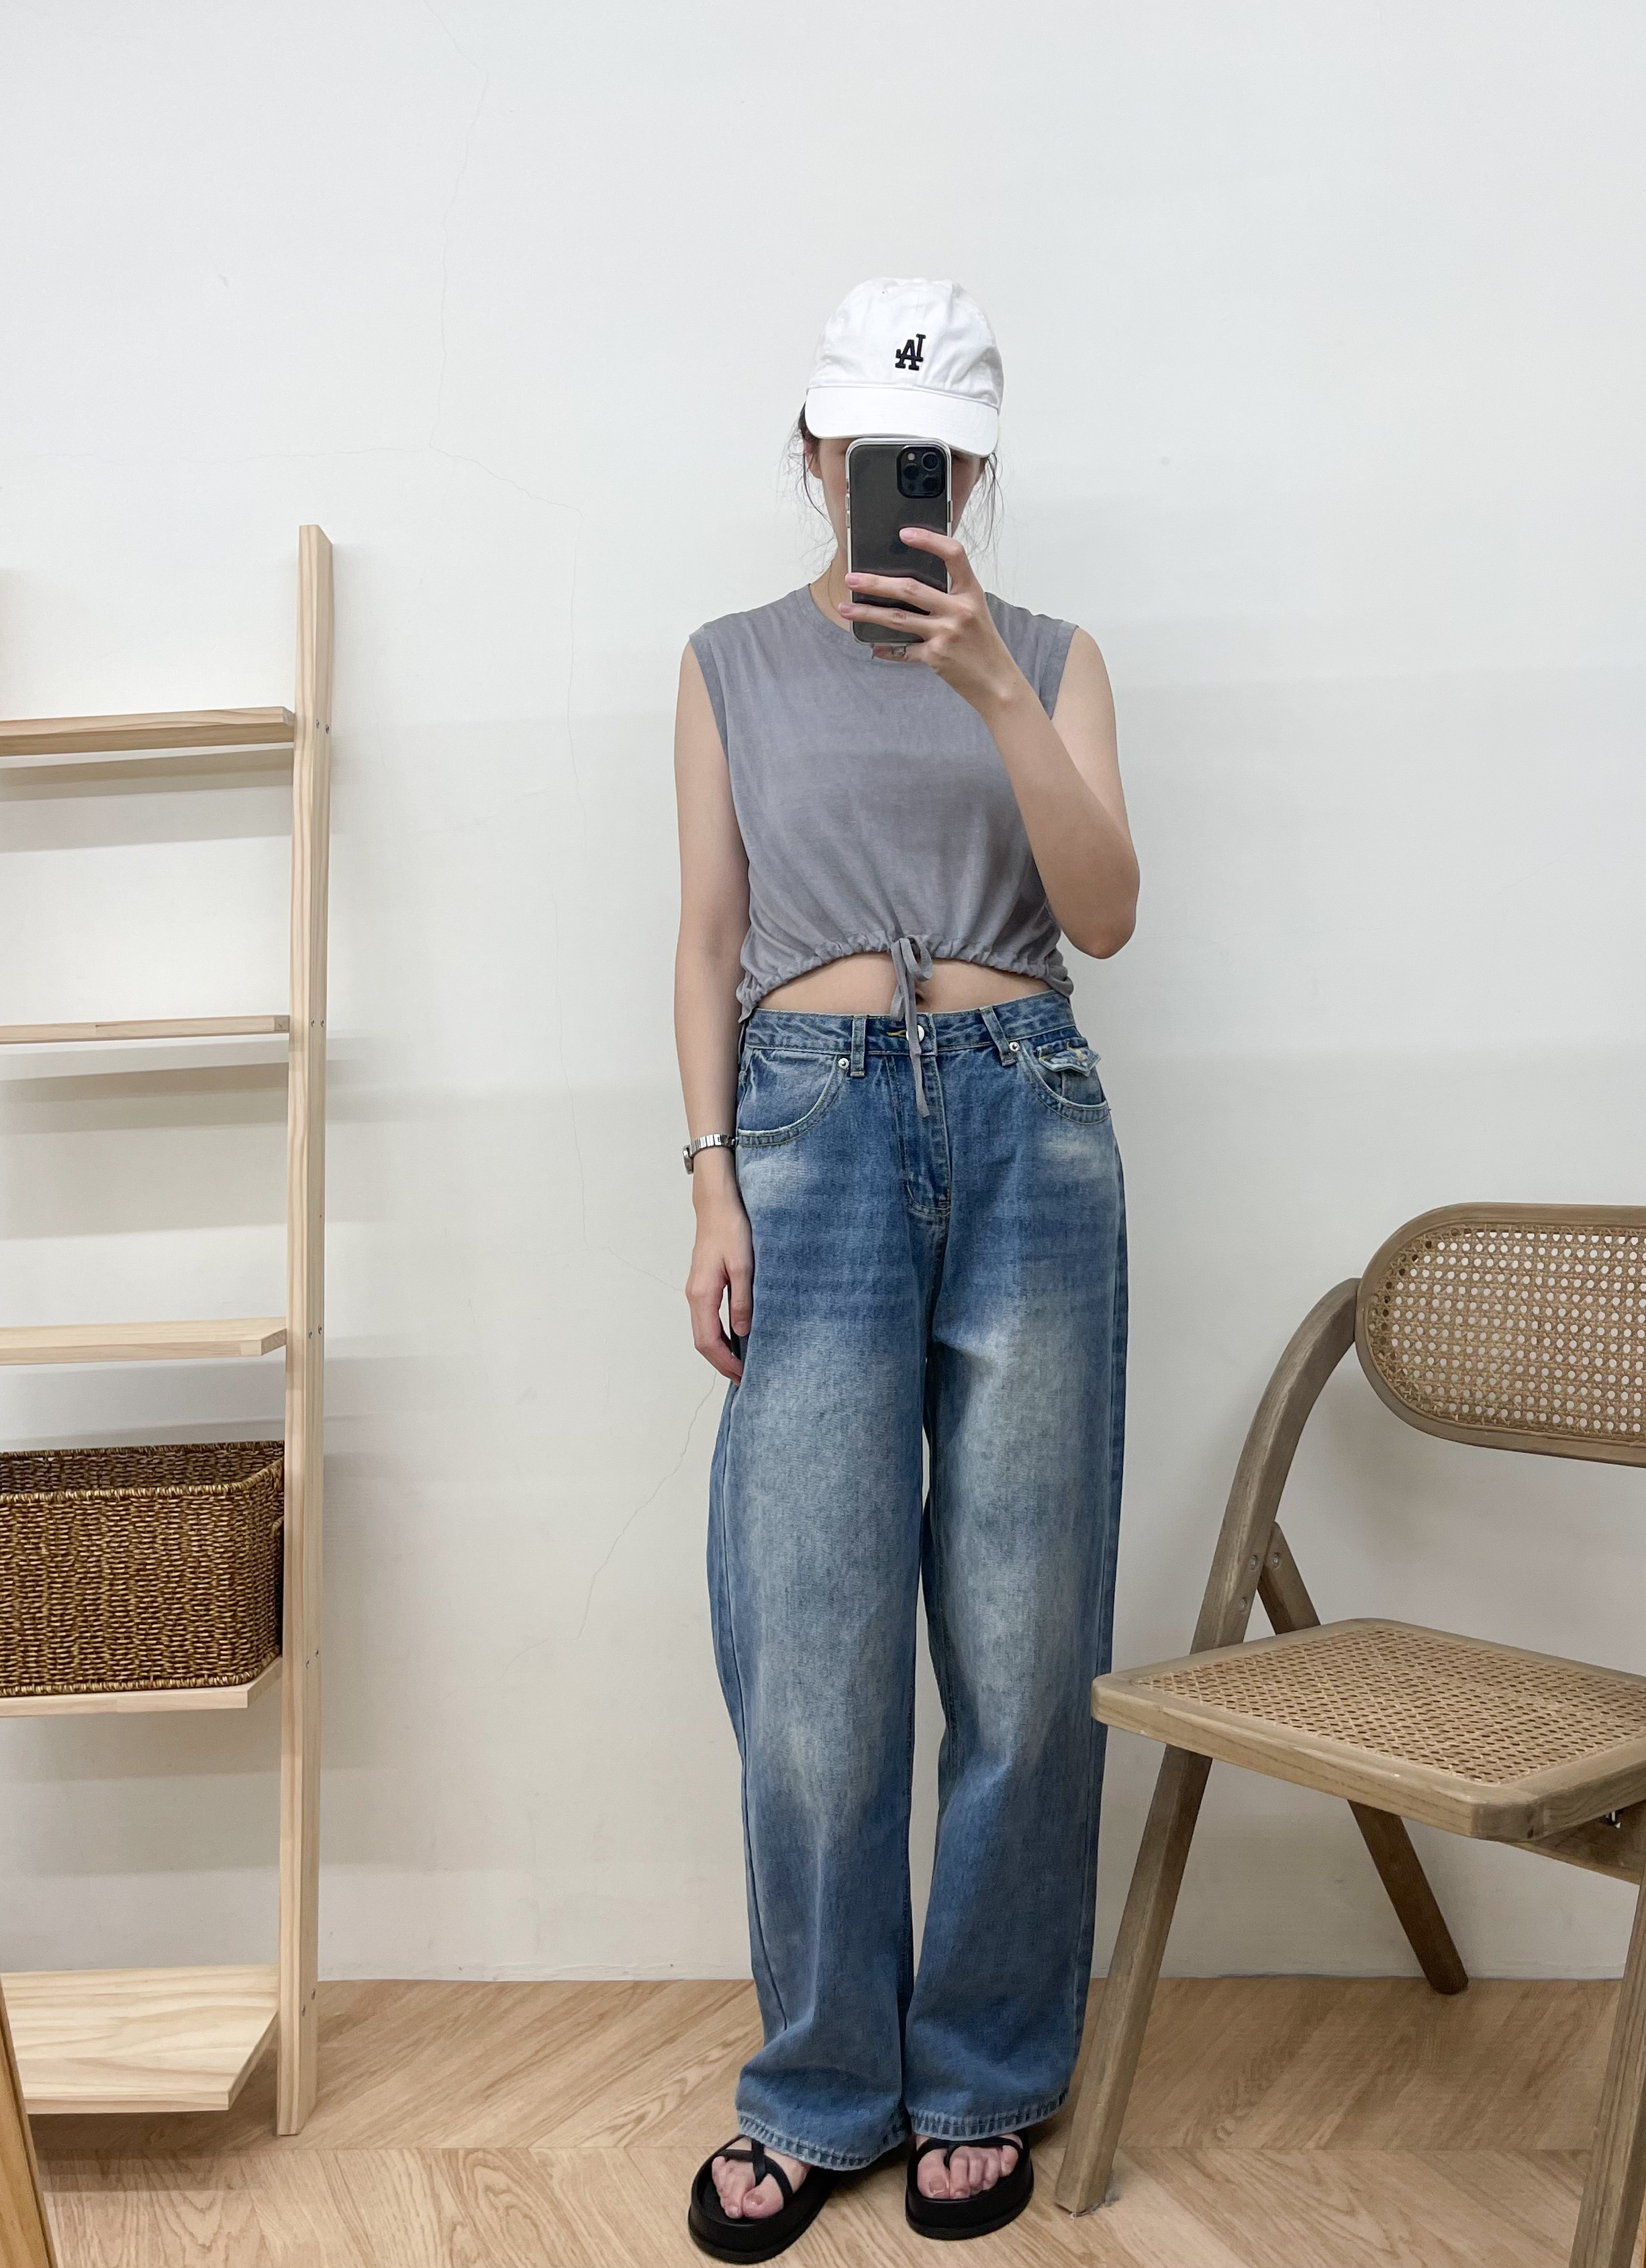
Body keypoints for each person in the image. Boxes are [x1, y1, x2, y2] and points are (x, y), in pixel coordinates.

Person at [674, 278, 1137, 2257]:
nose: (907, 485)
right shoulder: (725, 665)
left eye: (939, 461)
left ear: (978, 468)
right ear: (815, 453)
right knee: (812, 1639)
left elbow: (1105, 915)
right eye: (879, 455)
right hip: (807, 1132)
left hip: (1026, 1115)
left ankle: (985, 2072)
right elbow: (709, 939)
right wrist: (712, 1183)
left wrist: (995, 691)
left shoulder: (1053, 657)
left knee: (1025, 1641)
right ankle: (821, 2083)